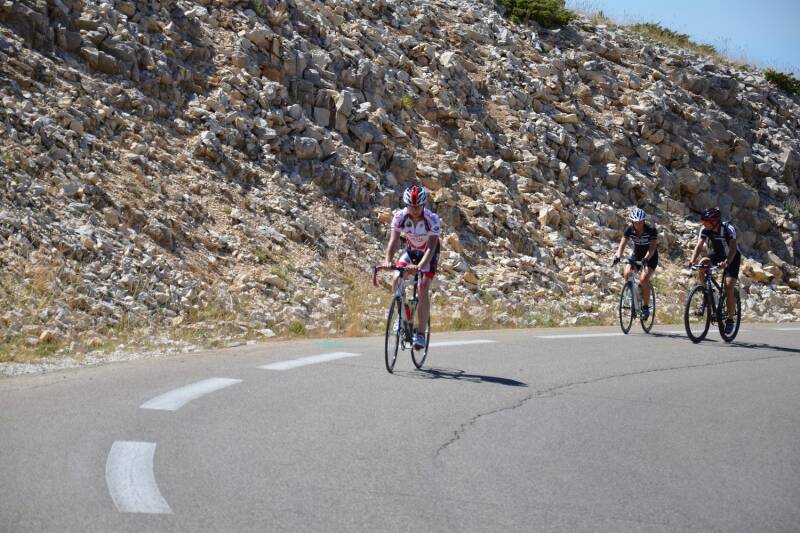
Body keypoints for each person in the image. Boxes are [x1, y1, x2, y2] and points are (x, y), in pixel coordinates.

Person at [382, 185, 441, 349]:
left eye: (417, 206)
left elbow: (431, 247)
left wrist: (420, 266)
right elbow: (393, 242)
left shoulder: (432, 219)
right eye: (411, 206)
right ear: (406, 204)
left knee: (423, 288)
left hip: (429, 253)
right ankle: (401, 318)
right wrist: (388, 260)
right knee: (396, 278)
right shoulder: (399, 216)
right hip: (411, 251)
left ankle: (421, 334)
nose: (414, 210)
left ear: (423, 205)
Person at [685, 207, 740, 335]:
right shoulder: (705, 229)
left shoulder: (728, 229)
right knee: (702, 263)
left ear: (714, 221)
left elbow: (733, 249)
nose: (703, 224)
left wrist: (726, 262)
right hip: (716, 255)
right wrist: (691, 261)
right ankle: (706, 292)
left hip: (732, 257)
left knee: (728, 286)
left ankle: (731, 320)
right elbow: (699, 245)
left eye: (706, 221)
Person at [613, 207, 659, 320]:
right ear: (632, 222)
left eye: (640, 222)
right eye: (635, 223)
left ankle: (645, 307)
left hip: (650, 257)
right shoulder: (629, 229)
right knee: (627, 273)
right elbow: (622, 243)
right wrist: (618, 255)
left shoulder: (651, 230)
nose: (638, 225)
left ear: (644, 221)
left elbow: (653, 247)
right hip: (637, 254)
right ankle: (633, 300)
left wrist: (646, 258)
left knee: (643, 279)